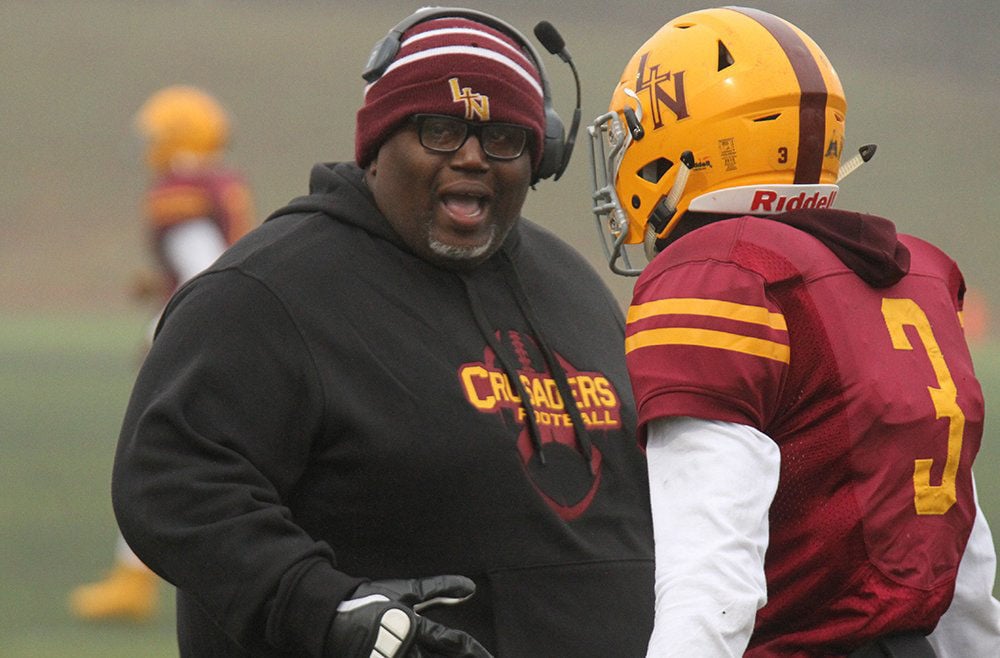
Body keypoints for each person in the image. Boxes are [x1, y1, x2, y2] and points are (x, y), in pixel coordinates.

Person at [112, 8, 654, 657]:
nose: (474, 157)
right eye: (440, 130)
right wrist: (327, 610)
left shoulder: (575, 290)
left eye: (504, 137)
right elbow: (170, 481)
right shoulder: (264, 292)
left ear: (542, 156)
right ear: (378, 142)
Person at [587, 6, 1000, 657]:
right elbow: (967, 587)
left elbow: (712, 590)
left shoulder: (720, 275)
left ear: (690, 139)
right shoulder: (918, 275)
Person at [70, 84, 255, 622]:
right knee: (186, 459)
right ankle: (134, 580)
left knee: (163, 457)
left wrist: (164, 327)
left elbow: (204, 269)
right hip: (232, 329)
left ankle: (143, 582)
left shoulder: (181, 190)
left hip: (208, 336)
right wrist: (160, 286)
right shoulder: (219, 182)